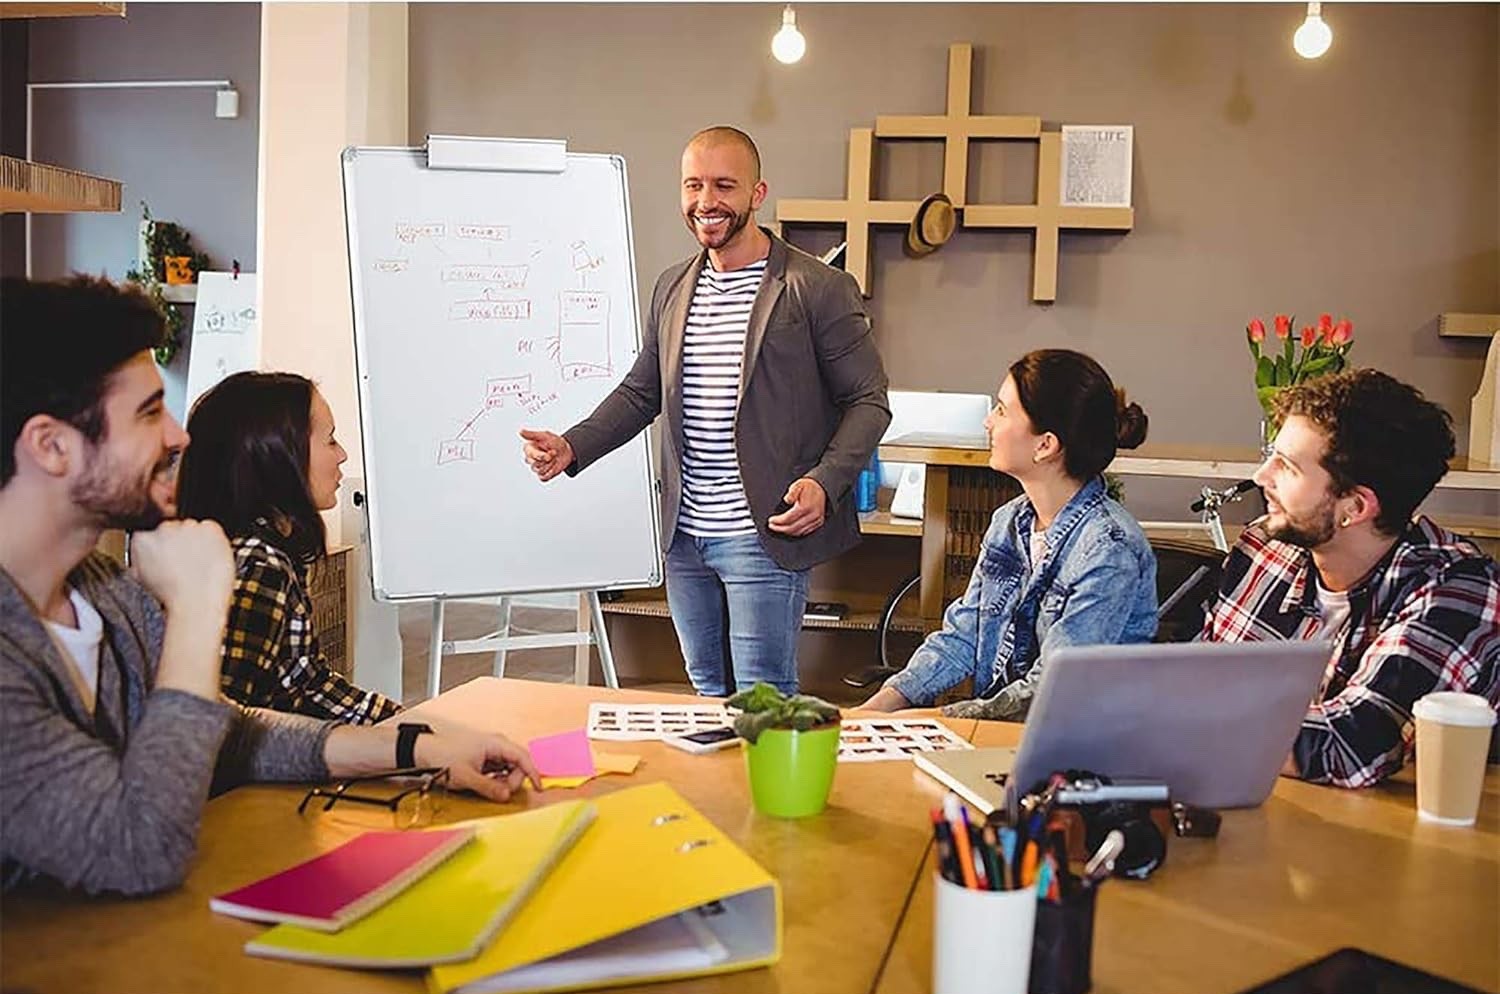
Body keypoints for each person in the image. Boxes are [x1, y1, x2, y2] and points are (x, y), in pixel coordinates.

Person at [0, 276, 540, 897]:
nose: (178, 436)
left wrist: (416, 749)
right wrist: (200, 605)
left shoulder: (101, 593)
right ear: (51, 446)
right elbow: (139, 849)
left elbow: (227, 735)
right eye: (150, 411)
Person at [519, 125, 890, 698]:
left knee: (762, 699)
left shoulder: (816, 286)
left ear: (756, 193)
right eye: (694, 185)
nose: (706, 201)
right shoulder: (673, 286)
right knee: (707, 693)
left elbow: (868, 400)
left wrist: (825, 482)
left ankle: (770, 792)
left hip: (763, 531)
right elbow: (644, 391)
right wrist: (573, 446)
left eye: (724, 185)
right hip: (685, 535)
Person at [1199, 369, 1499, 788]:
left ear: (1354, 507)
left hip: (1400, 840)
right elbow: (1194, 684)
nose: (1262, 477)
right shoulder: (1263, 549)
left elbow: (1351, 745)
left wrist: (1182, 724)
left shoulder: (1457, 590)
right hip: (1258, 810)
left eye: (1286, 467)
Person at [853, 349, 1158, 720]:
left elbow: (1052, 688)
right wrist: (882, 704)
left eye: (1001, 410)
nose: (988, 422)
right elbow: (964, 636)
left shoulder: (1109, 549)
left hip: (1081, 748)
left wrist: (933, 720)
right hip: (1004, 737)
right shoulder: (1008, 522)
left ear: (1045, 444)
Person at [176, 371, 401, 724]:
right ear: (279, 457)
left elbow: (311, 684)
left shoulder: (265, 553)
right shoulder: (257, 565)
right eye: (330, 441)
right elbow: (221, 725)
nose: (342, 455)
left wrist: (410, 728)